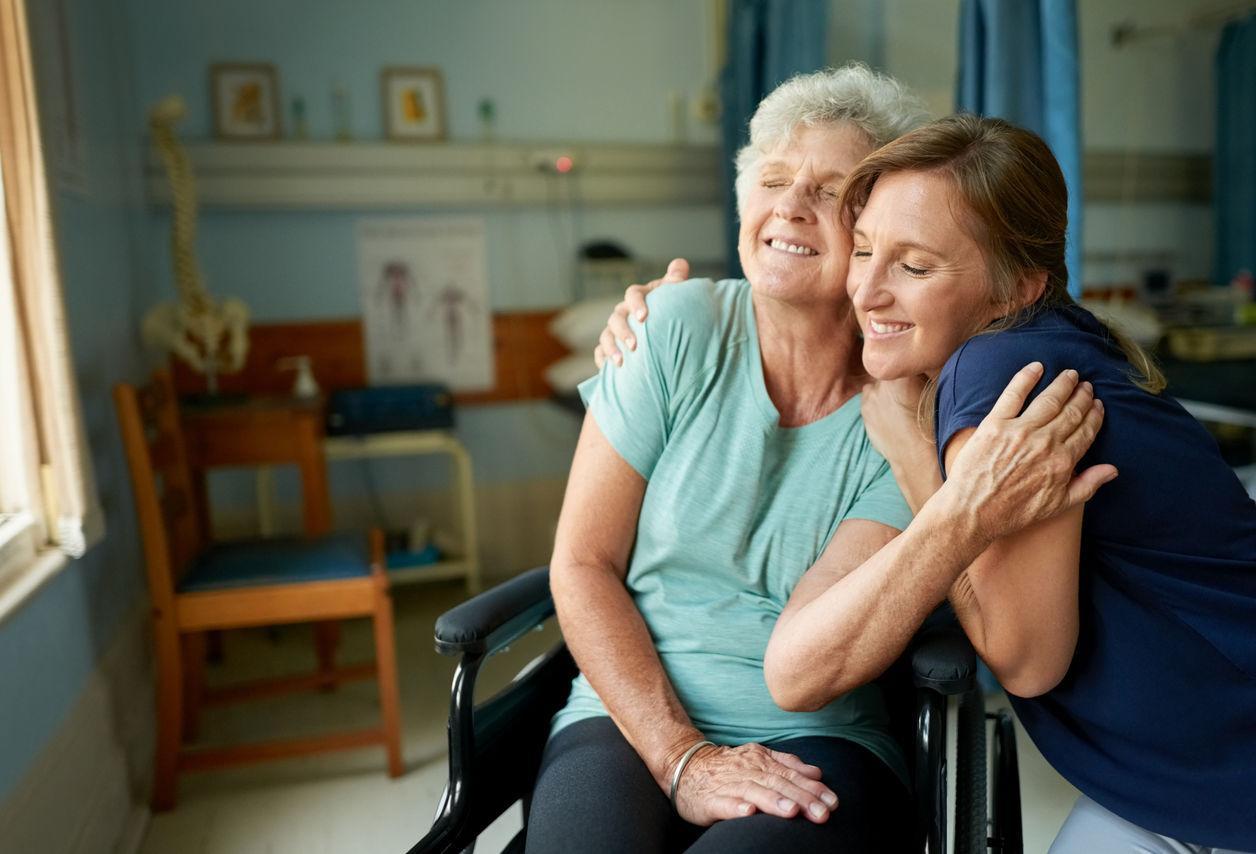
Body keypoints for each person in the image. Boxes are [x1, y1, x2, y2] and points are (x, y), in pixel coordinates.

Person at [600, 113, 1256, 854]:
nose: (867, 292)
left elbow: (1026, 660)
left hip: (1226, 757)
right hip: (1180, 769)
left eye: (914, 267)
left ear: (1016, 288)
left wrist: (915, 457)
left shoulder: (998, 377)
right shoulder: (1017, 345)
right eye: (867, 250)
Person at [527, 66, 1114, 854]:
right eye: (773, 179)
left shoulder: (915, 412)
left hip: (819, 739)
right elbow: (581, 563)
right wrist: (681, 756)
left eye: (829, 192)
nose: (789, 207)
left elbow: (821, 659)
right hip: (623, 717)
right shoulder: (667, 330)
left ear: (879, 233)